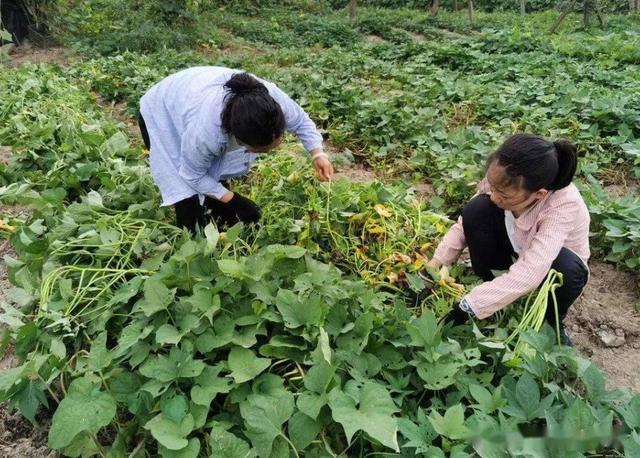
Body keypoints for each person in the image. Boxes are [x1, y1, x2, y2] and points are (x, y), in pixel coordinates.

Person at [427, 133, 590, 345]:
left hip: (548, 267)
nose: (494, 196)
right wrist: (435, 264)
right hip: (515, 245)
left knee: (564, 268)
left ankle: (550, 326)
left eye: (504, 195)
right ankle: (493, 289)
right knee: (477, 209)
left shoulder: (563, 205)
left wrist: (470, 305)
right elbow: (463, 226)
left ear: (538, 195)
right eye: (492, 186)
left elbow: (532, 271)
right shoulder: (502, 177)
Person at [138, 66, 333, 233]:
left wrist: (318, 153)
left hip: (194, 91)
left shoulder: (271, 103)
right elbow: (192, 175)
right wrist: (235, 201)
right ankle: (192, 250)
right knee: (187, 202)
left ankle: (220, 221)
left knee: (216, 187)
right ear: (237, 138)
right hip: (161, 108)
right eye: (261, 150)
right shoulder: (207, 132)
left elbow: (300, 121)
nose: (268, 152)